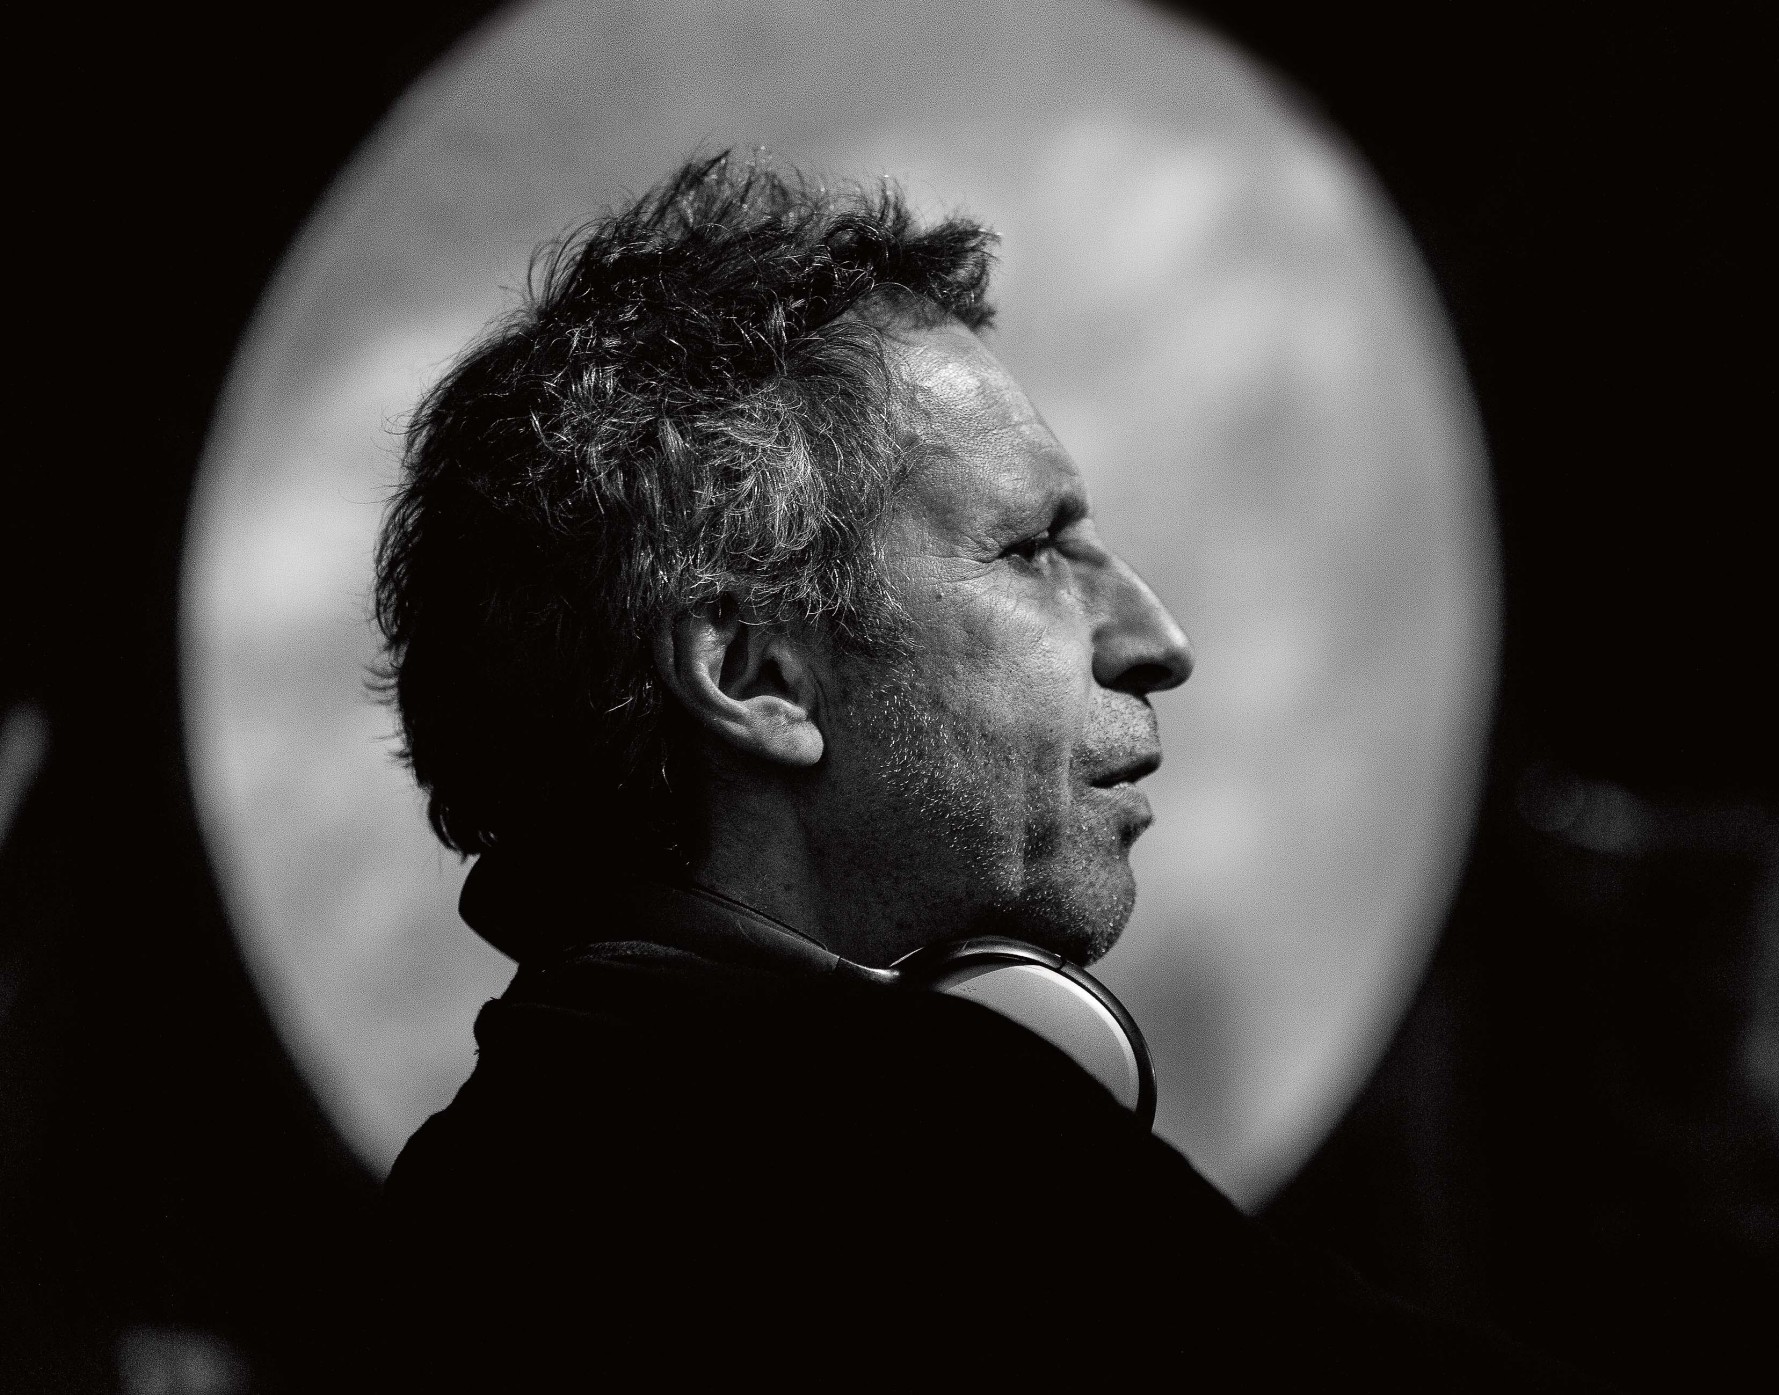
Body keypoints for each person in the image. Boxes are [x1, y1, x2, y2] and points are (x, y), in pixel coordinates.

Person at [372, 153, 1585, 1387]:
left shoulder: (463, 1211)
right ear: (753, 674)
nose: (1156, 640)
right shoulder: (941, 1171)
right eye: (1033, 548)